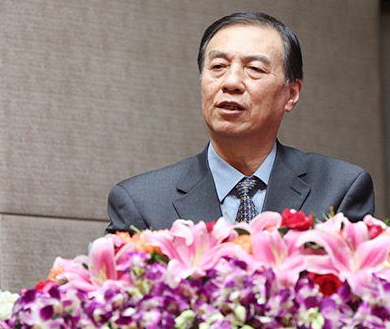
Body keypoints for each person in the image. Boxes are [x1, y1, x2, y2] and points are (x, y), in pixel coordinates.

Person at [106, 12, 374, 232]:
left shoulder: (339, 188)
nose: (231, 82)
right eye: (218, 67)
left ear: (291, 94)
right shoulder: (141, 202)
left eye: (254, 69)